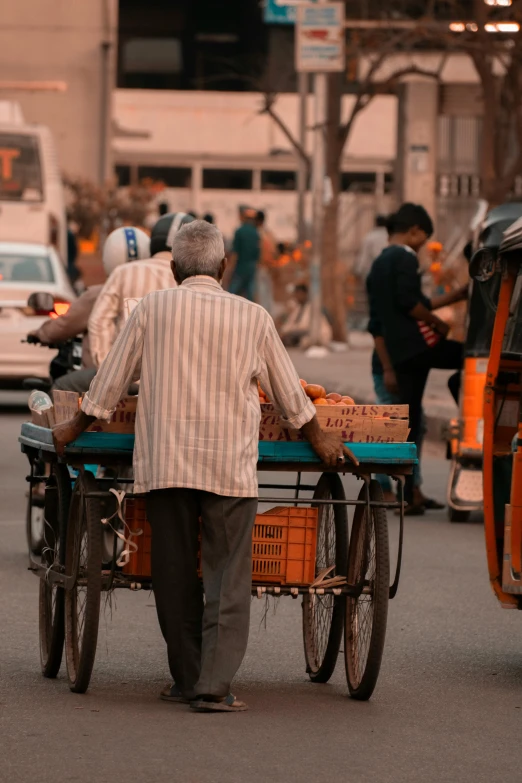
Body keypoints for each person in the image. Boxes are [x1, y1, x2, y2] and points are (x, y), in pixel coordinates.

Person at [52, 219, 358, 713]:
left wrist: (73, 428)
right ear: (224, 266)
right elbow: (289, 393)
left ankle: (187, 677)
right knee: (227, 576)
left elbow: (108, 384)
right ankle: (214, 685)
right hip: (228, 468)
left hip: (165, 463)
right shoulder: (253, 316)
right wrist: (320, 437)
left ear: (173, 269)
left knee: (173, 575)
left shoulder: (151, 309)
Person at [367, 203, 468, 512]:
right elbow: (412, 304)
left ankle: (412, 494)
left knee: (411, 422)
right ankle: (408, 496)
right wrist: (438, 323)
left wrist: (453, 297)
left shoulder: (379, 264)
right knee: (470, 358)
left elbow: (383, 318)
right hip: (414, 350)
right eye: (424, 238)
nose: (425, 245)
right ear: (413, 232)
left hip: (398, 354)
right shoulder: (405, 259)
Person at [32, 226, 150, 391]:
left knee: (61, 386)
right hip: (149, 378)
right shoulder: (159, 290)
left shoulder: (99, 294)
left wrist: (40, 333)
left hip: (109, 378)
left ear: (108, 258)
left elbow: (64, 325)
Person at [88, 212, 195, 369]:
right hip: (175, 382)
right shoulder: (196, 283)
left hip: (126, 381)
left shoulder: (123, 272)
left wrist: (108, 371)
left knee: (63, 383)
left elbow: (98, 321)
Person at [280, 283, 332, 349]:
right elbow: (290, 323)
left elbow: (304, 326)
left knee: (294, 335)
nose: (296, 297)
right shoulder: (298, 308)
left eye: (298, 294)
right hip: (302, 333)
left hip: (316, 333)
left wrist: (288, 332)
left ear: (304, 294)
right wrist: (282, 332)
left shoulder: (312, 308)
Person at [227, 206, 260, 301]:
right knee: (250, 295)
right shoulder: (255, 233)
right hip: (251, 268)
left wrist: (230, 270)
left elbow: (235, 253)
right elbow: (258, 254)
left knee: (232, 294)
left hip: (240, 268)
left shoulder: (239, 231)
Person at [354, 215, 389, 281]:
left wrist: (358, 270)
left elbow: (364, 256)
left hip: (372, 272)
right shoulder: (390, 236)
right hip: (387, 272)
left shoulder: (369, 237)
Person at [255, 210, 276, 314]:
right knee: (267, 294)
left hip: (261, 266)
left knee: (262, 293)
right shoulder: (269, 233)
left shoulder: (258, 234)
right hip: (269, 267)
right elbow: (274, 251)